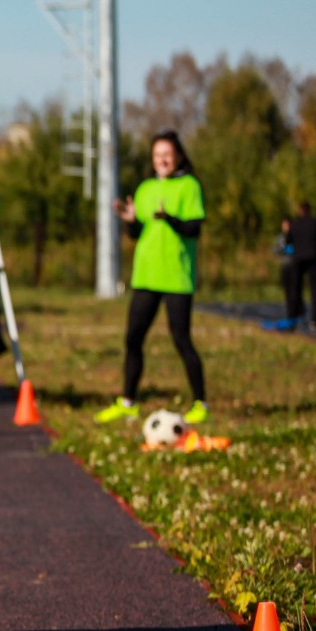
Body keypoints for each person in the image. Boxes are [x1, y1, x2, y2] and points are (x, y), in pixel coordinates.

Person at [97, 131, 209, 423]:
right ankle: (128, 401)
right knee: (133, 338)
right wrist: (131, 221)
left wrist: (169, 218)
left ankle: (200, 404)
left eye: (167, 154)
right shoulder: (145, 188)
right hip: (146, 275)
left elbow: (194, 228)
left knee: (181, 339)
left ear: (179, 156)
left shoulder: (189, 186)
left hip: (176, 277)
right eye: (157, 155)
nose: (162, 160)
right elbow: (138, 233)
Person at [282, 201, 316, 331]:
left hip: (298, 259)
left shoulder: (295, 224)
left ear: (300, 211)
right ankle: (315, 319)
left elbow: (288, 241)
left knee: (296, 288)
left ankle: (294, 317)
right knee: (315, 289)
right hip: (313, 257)